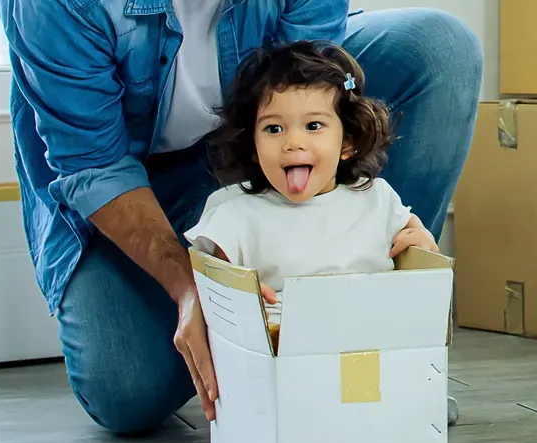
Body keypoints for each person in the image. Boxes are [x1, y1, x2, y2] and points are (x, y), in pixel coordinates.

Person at [0, 0, 482, 435]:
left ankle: (362, 327)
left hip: (253, 138)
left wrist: (363, 225)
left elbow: (312, 93)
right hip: (129, 178)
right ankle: (257, 326)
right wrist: (199, 291)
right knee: (127, 392)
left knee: (441, 50)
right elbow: (92, 163)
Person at [185, 40, 442, 300]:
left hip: (371, 331)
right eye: (274, 129)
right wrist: (239, 295)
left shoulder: (377, 199)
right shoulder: (236, 215)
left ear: (347, 143)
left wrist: (422, 242)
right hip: (282, 334)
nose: (293, 143)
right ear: (253, 146)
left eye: (313, 126)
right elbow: (216, 288)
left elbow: (416, 237)